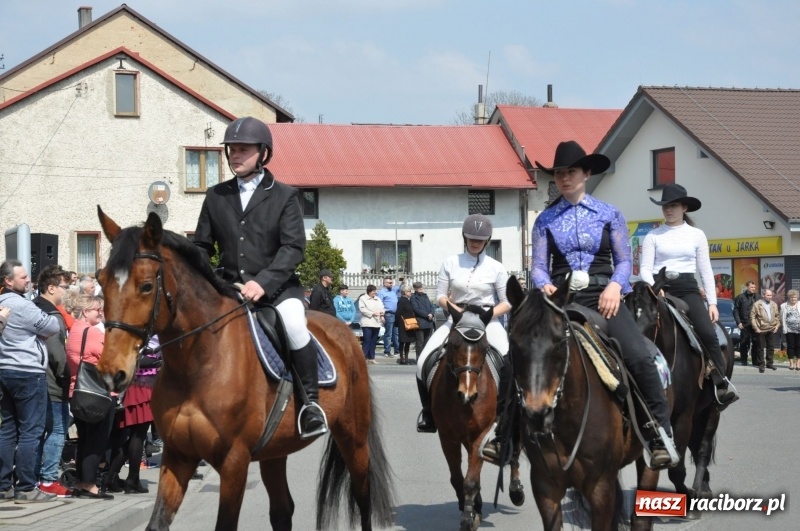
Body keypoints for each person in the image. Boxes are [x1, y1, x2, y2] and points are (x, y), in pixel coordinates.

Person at [530, 140, 677, 469]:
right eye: (558, 173)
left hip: (604, 298)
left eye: (571, 172)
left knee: (639, 355)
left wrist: (614, 286)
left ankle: (659, 433)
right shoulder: (545, 220)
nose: (564, 178)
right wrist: (546, 285)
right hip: (560, 302)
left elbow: (625, 261)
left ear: (586, 172)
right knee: (523, 352)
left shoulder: (610, 214)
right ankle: (505, 435)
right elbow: (538, 266)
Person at [194, 116, 327, 440]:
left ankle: (310, 404)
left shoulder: (284, 195)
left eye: (243, 150)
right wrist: (211, 281)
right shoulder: (216, 196)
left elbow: (293, 247)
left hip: (278, 290)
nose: (235, 155)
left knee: (295, 326)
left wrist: (263, 282)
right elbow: (200, 245)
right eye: (232, 150)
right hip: (228, 289)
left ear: (263, 153)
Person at [415, 215, 512, 457]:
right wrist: (456, 311)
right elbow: (439, 295)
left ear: (487, 240)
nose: (475, 243)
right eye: (471, 238)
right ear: (464, 238)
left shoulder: (496, 267)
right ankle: (428, 411)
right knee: (422, 360)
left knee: (510, 360)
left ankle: (505, 415)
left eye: (480, 239)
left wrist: (488, 315)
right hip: (456, 319)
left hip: (488, 322)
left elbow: (507, 301)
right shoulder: (451, 262)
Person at [640, 184, 738, 407]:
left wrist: (712, 303)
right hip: (659, 289)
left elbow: (705, 270)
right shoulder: (653, 235)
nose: (668, 210)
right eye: (665, 206)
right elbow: (644, 268)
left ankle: (720, 383)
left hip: (687, 289)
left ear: (684, 207)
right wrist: (654, 285)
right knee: (639, 329)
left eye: (673, 206)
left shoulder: (696, 235)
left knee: (707, 332)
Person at [0, 260, 60, 503]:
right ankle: (25, 487)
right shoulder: (21, 305)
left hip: (5, 371)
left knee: (7, 430)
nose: (28, 280)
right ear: (8, 281)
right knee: (30, 431)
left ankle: (3, 486)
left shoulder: (2, 303)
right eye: (23, 277)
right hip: (27, 372)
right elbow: (53, 325)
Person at [65, 295, 115, 499]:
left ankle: (80, 482)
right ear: (86, 311)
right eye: (97, 310)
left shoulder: (74, 331)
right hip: (99, 394)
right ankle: (89, 484)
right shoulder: (92, 332)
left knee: (84, 439)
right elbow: (111, 359)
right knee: (96, 441)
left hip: (77, 392)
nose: (101, 313)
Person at [32, 265, 74, 497]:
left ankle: (34, 477)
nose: (67, 292)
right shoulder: (53, 315)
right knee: (57, 429)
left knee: (37, 431)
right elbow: (57, 352)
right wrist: (66, 375)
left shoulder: (31, 308)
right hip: (52, 381)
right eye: (65, 287)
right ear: (51, 288)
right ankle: (48, 479)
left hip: (36, 379)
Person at [104, 335, 162, 494]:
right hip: (142, 386)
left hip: (140, 386)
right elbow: (137, 360)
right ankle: (131, 479)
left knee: (131, 438)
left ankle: (111, 476)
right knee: (137, 436)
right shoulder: (140, 337)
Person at [750, 289, 780, 372]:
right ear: (763, 295)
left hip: (771, 328)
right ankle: (761, 364)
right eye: (768, 295)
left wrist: (777, 326)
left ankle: (769, 363)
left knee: (771, 347)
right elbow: (752, 317)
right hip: (761, 329)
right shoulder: (757, 304)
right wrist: (756, 328)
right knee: (760, 348)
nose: (770, 297)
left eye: (771, 295)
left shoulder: (773, 304)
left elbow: (777, 316)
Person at [358, 285, 384, 365]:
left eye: (375, 291)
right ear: (369, 291)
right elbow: (362, 309)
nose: (375, 292)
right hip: (367, 322)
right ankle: (364, 358)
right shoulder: (363, 298)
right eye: (373, 291)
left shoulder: (378, 299)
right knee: (367, 340)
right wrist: (372, 313)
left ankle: (371, 357)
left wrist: (382, 314)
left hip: (376, 322)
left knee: (373, 341)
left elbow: (382, 307)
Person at [734, 281, 759, 366]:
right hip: (744, 323)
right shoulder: (740, 297)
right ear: (747, 287)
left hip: (755, 324)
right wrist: (738, 322)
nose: (753, 289)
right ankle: (743, 360)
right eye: (752, 287)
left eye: (754, 287)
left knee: (756, 342)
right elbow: (736, 311)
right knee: (744, 342)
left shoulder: (757, 297)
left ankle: (755, 361)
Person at [410, 281, 435, 362]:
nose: (421, 288)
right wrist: (427, 315)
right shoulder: (413, 297)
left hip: (429, 321)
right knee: (420, 342)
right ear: (415, 289)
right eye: (419, 287)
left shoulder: (425, 296)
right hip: (420, 321)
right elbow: (416, 309)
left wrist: (431, 313)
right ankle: (419, 358)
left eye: (421, 287)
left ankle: (425, 358)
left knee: (427, 341)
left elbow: (431, 306)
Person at [377, 277, 401, 358]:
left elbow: (401, 287)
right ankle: (387, 351)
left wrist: (402, 280)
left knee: (396, 333)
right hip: (388, 314)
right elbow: (379, 304)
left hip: (395, 314)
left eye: (392, 282)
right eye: (389, 283)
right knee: (388, 334)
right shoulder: (382, 292)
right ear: (384, 283)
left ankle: (397, 350)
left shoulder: (393, 290)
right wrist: (381, 316)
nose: (391, 284)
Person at [395, 284, 416, 365]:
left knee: (408, 341)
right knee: (402, 341)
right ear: (405, 292)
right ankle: (402, 358)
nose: (410, 292)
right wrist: (397, 323)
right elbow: (398, 313)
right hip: (403, 324)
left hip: (410, 323)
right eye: (409, 291)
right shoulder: (401, 300)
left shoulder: (408, 300)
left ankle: (406, 358)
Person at [780, 290, 800, 370]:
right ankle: (791, 362)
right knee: (790, 346)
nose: (793, 299)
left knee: (799, 346)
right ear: (789, 298)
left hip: (799, 329)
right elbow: (782, 318)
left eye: (795, 297)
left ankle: (798, 363)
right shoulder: (783, 306)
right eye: (792, 298)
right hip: (789, 330)